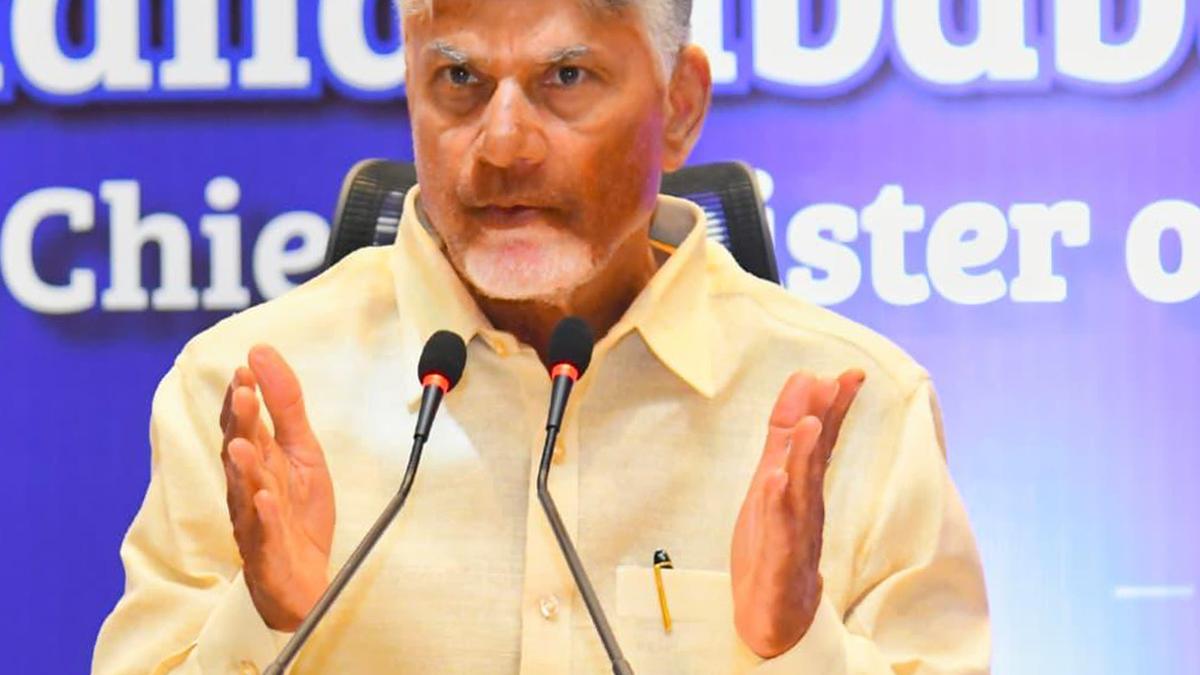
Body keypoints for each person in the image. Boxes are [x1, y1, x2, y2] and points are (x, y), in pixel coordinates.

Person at [93, 0, 990, 672]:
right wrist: (269, 621)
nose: (504, 144)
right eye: (459, 81)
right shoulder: (247, 395)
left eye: (566, 78)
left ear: (679, 107)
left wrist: (797, 649)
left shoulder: (856, 407)